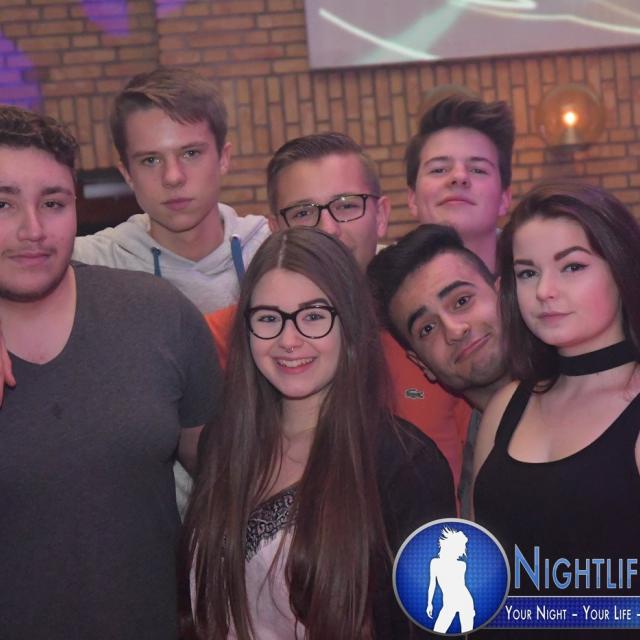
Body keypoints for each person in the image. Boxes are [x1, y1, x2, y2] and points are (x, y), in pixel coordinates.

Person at [0, 105, 221, 640]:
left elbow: (229, 472)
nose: (33, 230)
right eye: (2, 204)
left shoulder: (158, 314)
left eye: (53, 203)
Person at [182, 228, 456, 639]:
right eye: (268, 318)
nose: (289, 340)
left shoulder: (405, 466)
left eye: (313, 316)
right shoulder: (223, 443)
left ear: (351, 324)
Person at [206, 132, 472, 487]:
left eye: (346, 206)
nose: (328, 229)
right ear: (276, 231)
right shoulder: (231, 338)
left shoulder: (437, 329)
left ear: (381, 216)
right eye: (303, 212)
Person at [473, 182, 640, 638]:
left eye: (572, 267)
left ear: (622, 267)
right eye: (527, 273)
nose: (545, 290)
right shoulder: (506, 406)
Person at [73, 66, 270, 313]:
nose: (172, 177)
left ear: (223, 158)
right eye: (150, 160)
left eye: (191, 153)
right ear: (127, 175)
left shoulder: (272, 250)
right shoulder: (88, 265)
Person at [367, 224, 509, 516]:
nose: (454, 330)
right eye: (427, 328)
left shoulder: (594, 396)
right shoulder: (474, 463)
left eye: (461, 301)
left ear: (503, 294)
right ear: (422, 364)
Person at [405, 94, 514, 271]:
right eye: (439, 170)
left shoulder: (544, 283)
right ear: (412, 199)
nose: (459, 177)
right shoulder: (381, 285)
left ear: (504, 198)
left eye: (478, 170)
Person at [426, 527, 475, 634]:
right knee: (438, 631)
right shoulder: (435, 563)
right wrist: (429, 603)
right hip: (449, 604)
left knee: (467, 634)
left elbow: (460, 586)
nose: (462, 551)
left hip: (465, 601)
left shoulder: (462, 565)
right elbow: (432, 584)